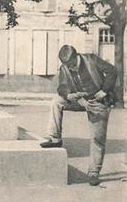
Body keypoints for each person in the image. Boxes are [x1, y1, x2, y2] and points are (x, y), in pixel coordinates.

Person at [40, 44, 117, 186]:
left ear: (77, 56)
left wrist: (105, 90)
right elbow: (62, 87)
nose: (71, 68)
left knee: (97, 138)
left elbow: (112, 71)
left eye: (72, 64)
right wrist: (69, 94)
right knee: (56, 101)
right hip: (79, 101)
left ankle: (94, 172)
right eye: (67, 65)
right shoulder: (64, 67)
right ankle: (54, 138)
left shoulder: (92, 60)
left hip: (97, 101)